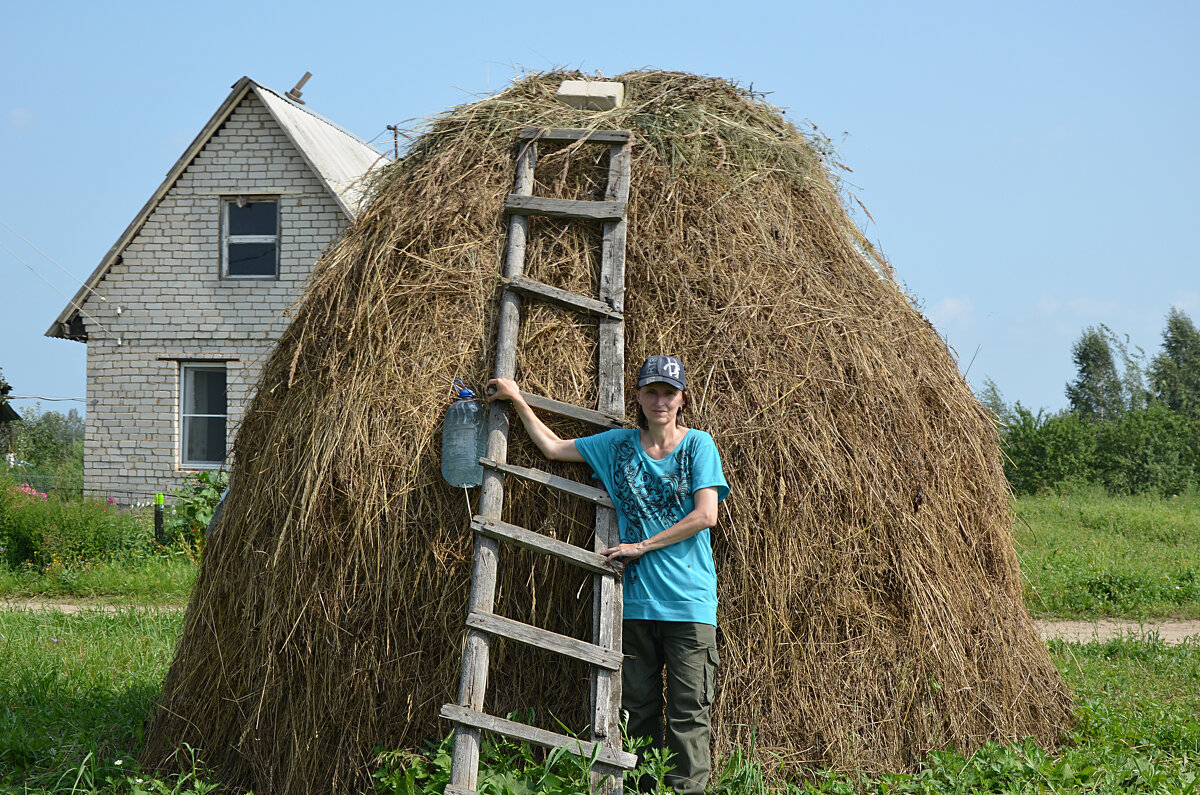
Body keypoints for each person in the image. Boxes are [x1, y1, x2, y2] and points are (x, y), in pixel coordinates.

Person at [487, 355, 729, 795]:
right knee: (637, 708)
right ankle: (641, 790)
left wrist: (641, 546)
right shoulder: (617, 446)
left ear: (682, 399)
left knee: (689, 711)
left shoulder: (698, 446)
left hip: (690, 603)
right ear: (638, 396)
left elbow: (706, 514)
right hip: (635, 604)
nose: (660, 401)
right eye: (652, 392)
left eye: (669, 393)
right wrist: (518, 400)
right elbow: (553, 448)